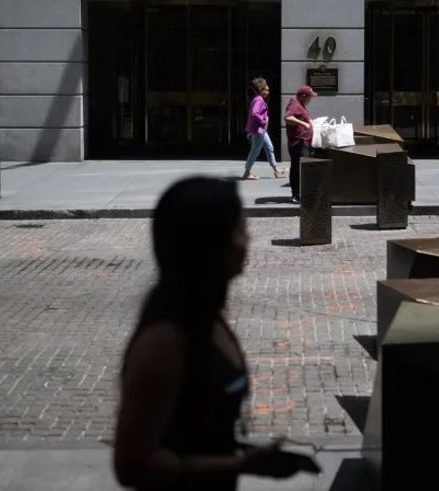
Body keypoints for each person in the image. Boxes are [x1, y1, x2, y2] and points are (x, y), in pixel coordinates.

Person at [112, 178, 319, 490]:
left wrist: (246, 455)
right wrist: (241, 464)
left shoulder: (207, 316)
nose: (248, 240)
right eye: (239, 230)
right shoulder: (164, 342)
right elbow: (132, 466)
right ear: (208, 244)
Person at [241, 77, 284, 181]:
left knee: (269, 147)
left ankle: (275, 169)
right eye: (266, 89)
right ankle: (247, 172)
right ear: (261, 90)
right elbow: (254, 113)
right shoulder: (258, 100)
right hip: (258, 130)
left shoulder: (258, 99)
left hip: (261, 130)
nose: (268, 91)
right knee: (255, 151)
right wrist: (263, 121)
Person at [283, 85, 317, 203]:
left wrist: (309, 122)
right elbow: (288, 118)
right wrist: (304, 124)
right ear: (303, 96)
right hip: (298, 143)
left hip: (303, 142)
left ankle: (301, 194)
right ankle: (296, 195)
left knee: (301, 169)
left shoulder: (299, 105)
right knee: (298, 169)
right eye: (309, 97)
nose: (310, 100)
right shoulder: (294, 104)